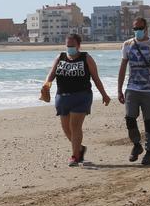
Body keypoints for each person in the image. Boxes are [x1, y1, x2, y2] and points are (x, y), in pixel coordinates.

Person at [41, 33, 111, 167]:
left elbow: (96, 78)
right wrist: (46, 86)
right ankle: (79, 148)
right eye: (68, 45)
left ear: (79, 45)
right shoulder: (60, 57)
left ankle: (75, 156)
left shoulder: (86, 58)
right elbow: (51, 75)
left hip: (82, 96)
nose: (70, 48)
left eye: (72, 46)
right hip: (62, 97)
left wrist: (104, 94)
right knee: (66, 129)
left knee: (75, 126)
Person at [117, 18, 150, 166]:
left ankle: (149, 152)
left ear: (146, 28)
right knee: (130, 118)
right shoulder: (127, 45)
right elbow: (122, 68)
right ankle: (136, 144)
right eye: (135, 29)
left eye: (140, 28)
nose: (137, 31)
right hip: (132, 88)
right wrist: (119, 89)